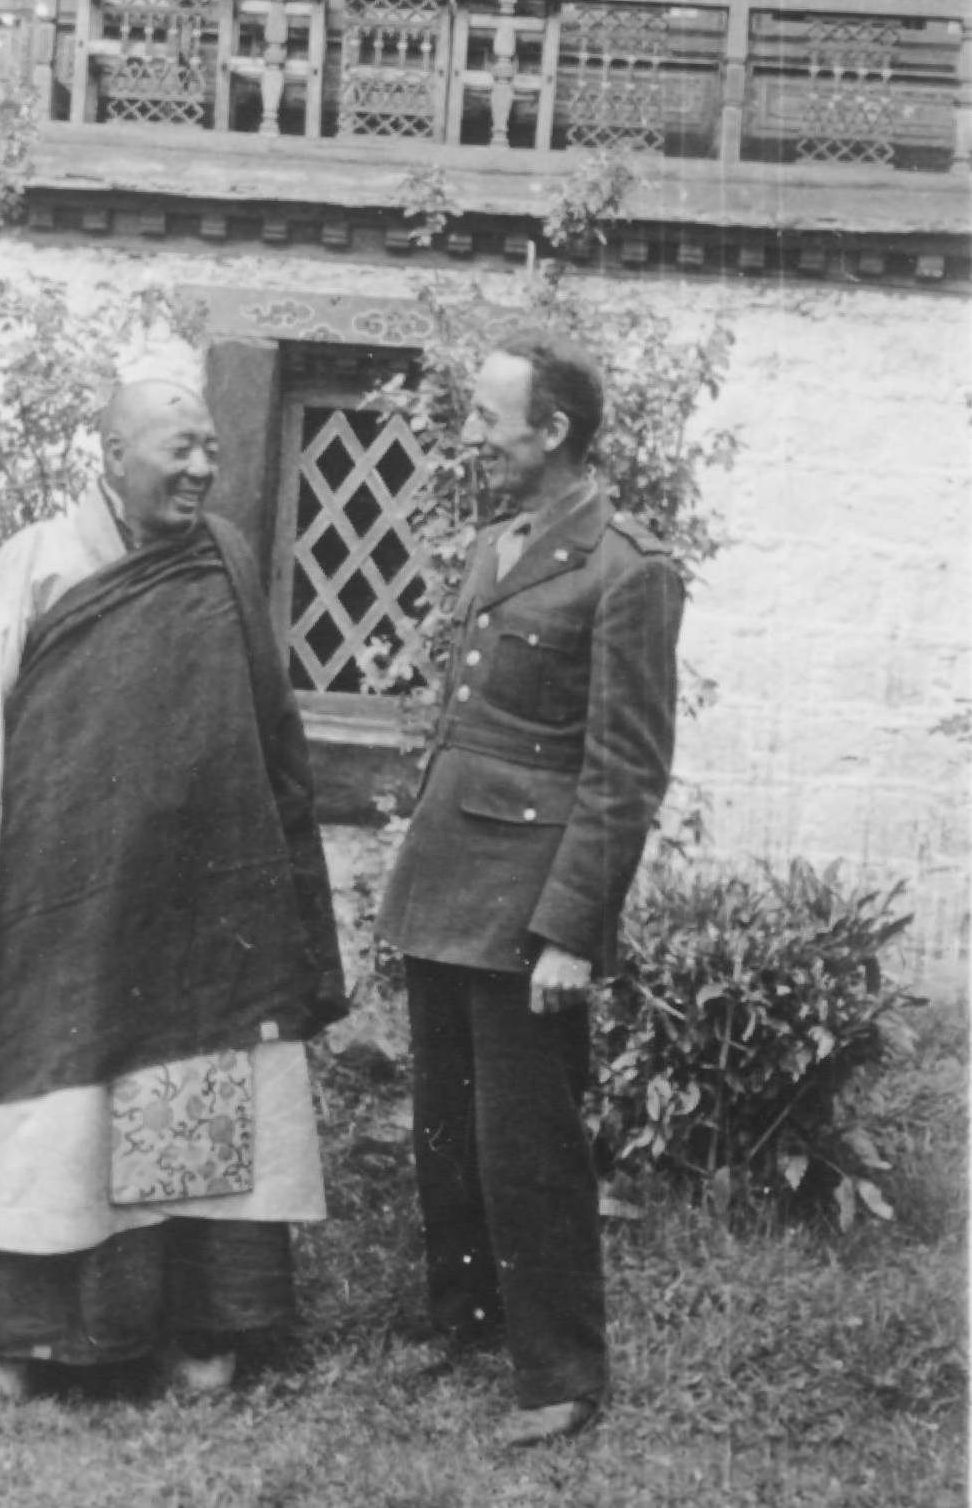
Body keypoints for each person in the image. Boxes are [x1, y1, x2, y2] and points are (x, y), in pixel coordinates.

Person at [0, 375, 347, 1400]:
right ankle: (26, 1333)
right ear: (111, 453)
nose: (200, 468)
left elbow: (273, 736)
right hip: (61, 908)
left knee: (195, 1100)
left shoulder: (227, 561)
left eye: (209, 450)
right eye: (176, 450)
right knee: (53, 1106)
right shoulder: (40, 563)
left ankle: (201, 1323)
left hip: (202, 911)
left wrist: (286, 889)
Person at [376, 331, 685, 1447]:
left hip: (528, 901)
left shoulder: (627, 567)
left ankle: (559, 1373)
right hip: (449, 878)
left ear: (553, 432)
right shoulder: (493, 545)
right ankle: (463, 1317)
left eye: (488, 420)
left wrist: (570, 930)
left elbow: (624, 769)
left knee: (529, 1141)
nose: (468, 438)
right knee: (447, 1127)